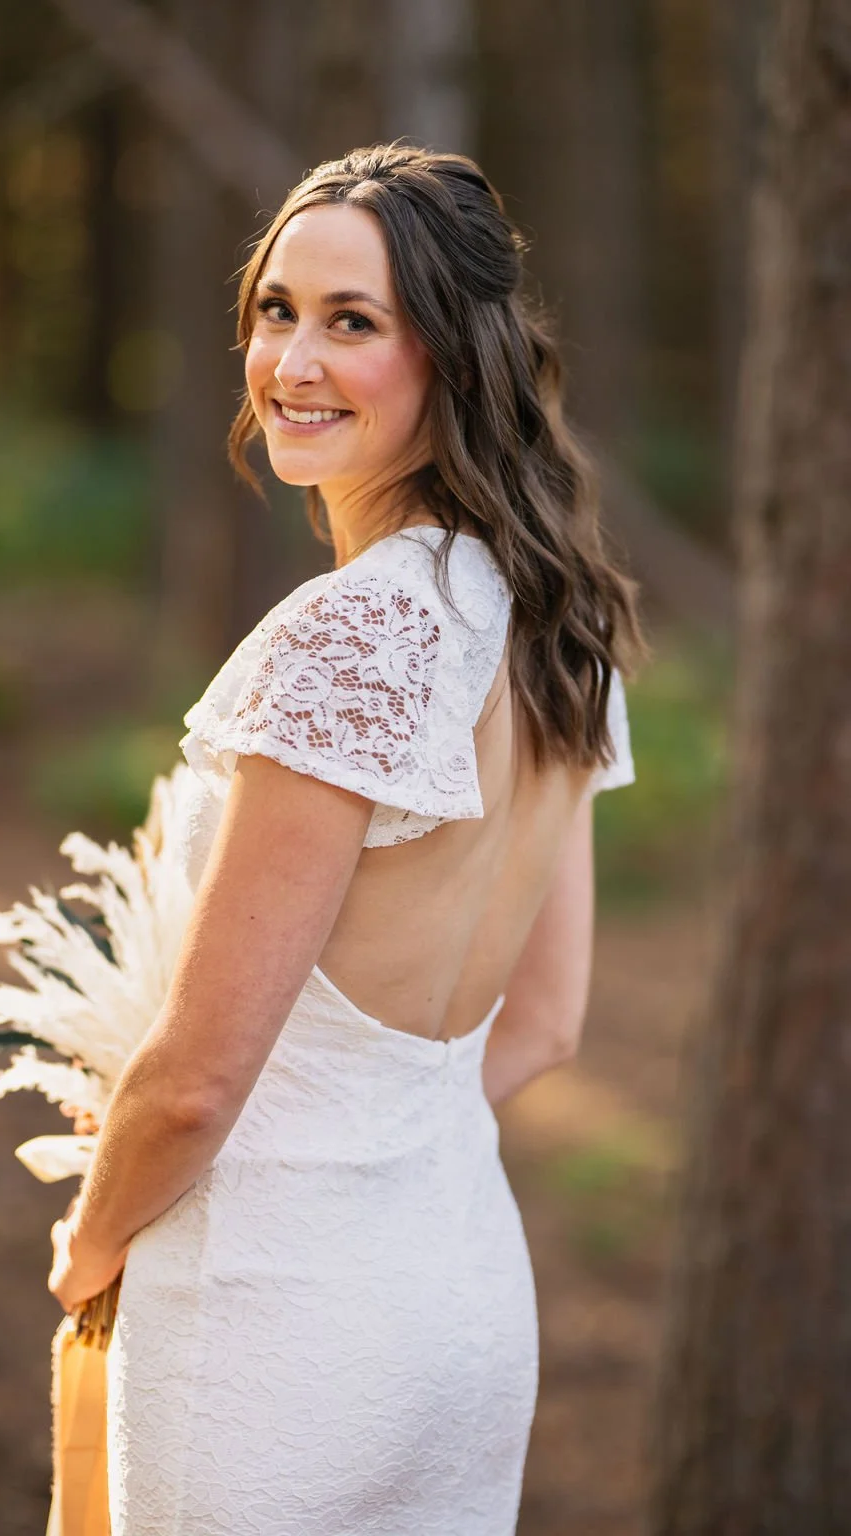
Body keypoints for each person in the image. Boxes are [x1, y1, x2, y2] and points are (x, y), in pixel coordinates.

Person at [48, 141, 645, 1535]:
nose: (293, 361)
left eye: (353, 322)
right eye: (276, 310)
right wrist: (379, 1158)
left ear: (454, 356)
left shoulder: (355, 630)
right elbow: (545, 1024)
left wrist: (89, 1247)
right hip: (460, 1305)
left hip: (271, 1331)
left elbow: (196, 1080)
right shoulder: (559, 624)